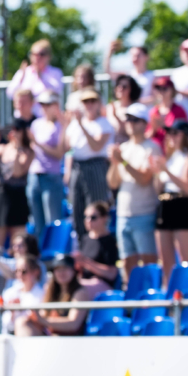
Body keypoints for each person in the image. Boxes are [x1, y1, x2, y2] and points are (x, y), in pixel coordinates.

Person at [106, 102, 161, 280]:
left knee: (148, 261)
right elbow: (113, 183)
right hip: (123, 214)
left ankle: (151, 300)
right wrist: (115, 163)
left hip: (144, 212)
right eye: (128, 119)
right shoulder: (123, 148)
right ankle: (131, 301)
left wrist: (122, 161)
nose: (130, 123)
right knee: (127, 261)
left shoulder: (152, 147)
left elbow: (144, 179)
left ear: (145, 123)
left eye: (135, 120)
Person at [64, 88, 115, 238]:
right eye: (86, 101)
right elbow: (67, 148)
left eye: (93, 101)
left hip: (96, 166)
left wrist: (81, 125)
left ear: (99, 103)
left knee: (96, 208)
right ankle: (83, 245)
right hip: (77, 166)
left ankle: (99, 244)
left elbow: (96, 146)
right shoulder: (74, 124)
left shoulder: (104, 123)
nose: (89, 104)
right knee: (78, 209)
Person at [155, 121, 188, 283]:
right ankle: (169, 296)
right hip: (164, 205)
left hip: (181, 204)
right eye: (169, 133)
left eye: (175, 133)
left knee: (186, 258)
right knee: (166, 260)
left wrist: (165, 170)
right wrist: (157, 171)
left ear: (184, 135)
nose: (170, 137)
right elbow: (158, 188)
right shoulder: (169, 157)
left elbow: (187, 187)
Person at [0, 120, 34, 247]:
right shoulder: (0, 149)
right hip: (1, 197)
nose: (13, 133)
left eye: (16, 130)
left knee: (18, 245)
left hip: (18, 198)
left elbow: (18, 173)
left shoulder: (28, 152)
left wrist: (18, 148)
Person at [19, 255, 92, 336]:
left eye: (65, 268)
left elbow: (74, 324)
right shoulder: (51, 290)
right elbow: (44, 314)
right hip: (52, 339)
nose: (61, 273)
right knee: (23, 322)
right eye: (58, 269)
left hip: (71, 341)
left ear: (73, 271)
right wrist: (34, 318)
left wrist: (44, 321)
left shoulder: (80, 292)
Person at [28, 92, 67, 238]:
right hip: (34, 176)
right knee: (38, 224)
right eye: (42, 104)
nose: (44, 107)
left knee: (53, 222)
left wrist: (38, 143)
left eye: (48, 104)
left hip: (51, 177)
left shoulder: (60, 126)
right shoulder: (36, 124)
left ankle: (54, 257)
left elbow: (59, 153)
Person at [72, 201, 119, 297]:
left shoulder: (110, 241)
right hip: (86, 282)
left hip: (103, 285)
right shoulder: (85, 239)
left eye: (93, 217)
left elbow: (111, 274)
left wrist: (86, 262)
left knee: (79, 290)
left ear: (104, 218)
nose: (88, 220)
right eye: (86, 217)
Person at [6, 39, 64, 111]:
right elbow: (10, 94)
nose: (37, 57)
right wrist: (21, 79)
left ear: (49, 56)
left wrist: (41, 76)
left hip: (44, 117)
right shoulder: (23, 72)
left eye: (41, 54)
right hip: (25, 118)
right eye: (34, 54)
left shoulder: (55, 72)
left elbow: (57, 91)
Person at [0, 256, 44, 335]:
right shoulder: (10, 293)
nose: (20, 275)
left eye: (24, 271)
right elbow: (6, 324)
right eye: (17, 271)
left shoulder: (42, 294)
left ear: (36, 272)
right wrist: (12, 312)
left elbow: (40, 322)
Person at [147, 76, 188, 148]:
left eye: (164, 88)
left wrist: (164, 126)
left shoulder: (179, 111)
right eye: (159, 88)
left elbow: (184, 135)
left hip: (172, 150)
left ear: (172, 90)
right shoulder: (153, 111)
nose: (161, 92)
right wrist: (154, 129)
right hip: (156, 151)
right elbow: (147, 136)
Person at [106, 74, 143, 146]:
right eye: (118, 86)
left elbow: (133, 131)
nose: (120, 88)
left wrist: (116, 117)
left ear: (132, 89)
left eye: (124, 87)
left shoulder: (136, 109)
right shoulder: (109, 107)